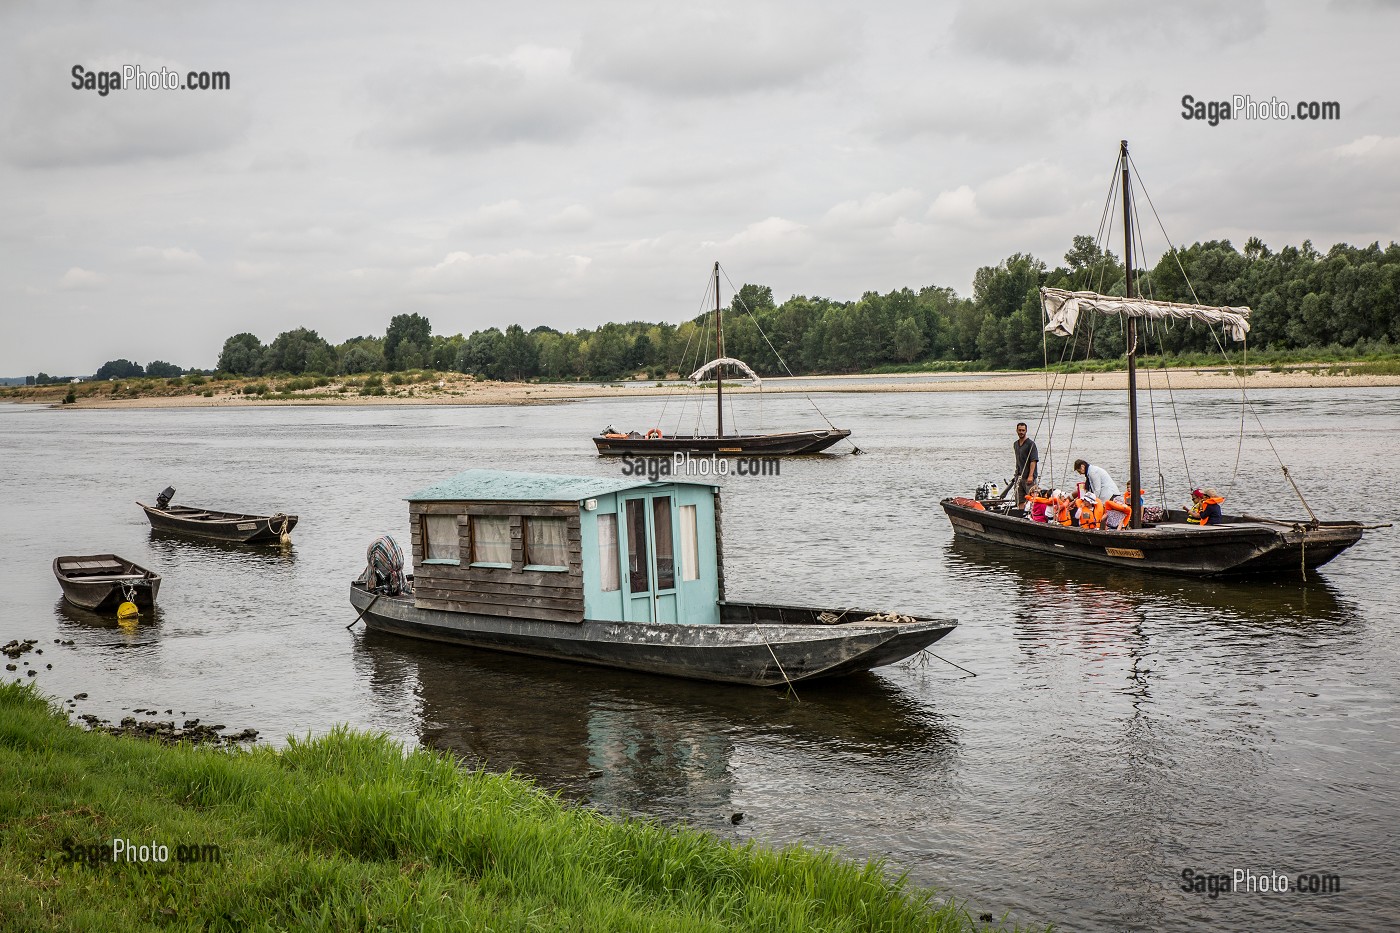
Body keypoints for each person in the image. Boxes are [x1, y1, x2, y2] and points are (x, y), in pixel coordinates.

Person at [1013, 422, 1039, 506]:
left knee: (1031, 500)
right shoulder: (1016, 444)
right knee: (1019, 499)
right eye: (1019, 430)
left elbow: (1033, 460)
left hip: (1029, 477)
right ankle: (1020, 515)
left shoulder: (1031, 444)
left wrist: (1030, 476)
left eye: (1023, 430)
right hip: (1019, 476)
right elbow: (1018, 460)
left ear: (1026, 431)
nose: (1021, 432)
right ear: (1016, 430)